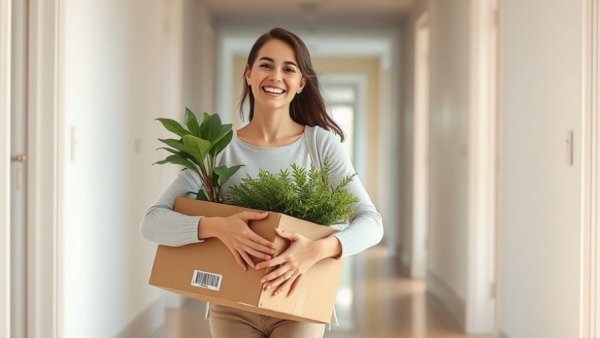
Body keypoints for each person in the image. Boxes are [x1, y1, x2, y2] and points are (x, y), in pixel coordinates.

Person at [141, 27, 383, 338]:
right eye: (266, 65)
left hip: (298, 299)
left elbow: (372, 223)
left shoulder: (319, 144)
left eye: (289, 69)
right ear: (249, 74)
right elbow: (152, 222)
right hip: (231, 304)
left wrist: (318, 250)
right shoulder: (217, 147)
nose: (276, 76)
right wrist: (217, 226)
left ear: (300, 83)